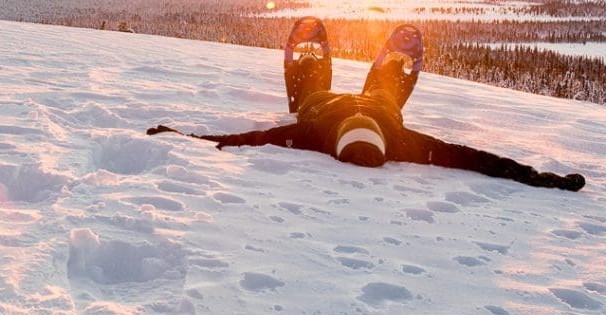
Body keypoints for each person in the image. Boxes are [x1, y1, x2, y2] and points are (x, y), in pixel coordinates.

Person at [147, 24, 585, 192]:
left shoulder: (311, 135)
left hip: (319, 106)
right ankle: (392, 73)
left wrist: (187, 138)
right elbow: (473, 159)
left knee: (312, 95)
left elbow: (249, 139)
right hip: (382, 105)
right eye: (366, 128)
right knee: (385, 98)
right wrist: (540, 178)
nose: (359, 123)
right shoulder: (401, 142)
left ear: (339, 140)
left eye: (354, 128)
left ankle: (310, 70)